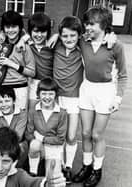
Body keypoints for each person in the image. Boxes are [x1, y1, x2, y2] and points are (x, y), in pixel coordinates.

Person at [73, 6, 127, 187]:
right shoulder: (83, 42)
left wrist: (118, 98)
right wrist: (57, 35)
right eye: (86, 23)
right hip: (87, 89)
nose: (87, 27)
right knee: (85, 133)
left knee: (97, 135)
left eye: (92, 24)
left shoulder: (115, 45)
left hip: (105, 92)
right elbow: (69, 35)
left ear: (104, 25)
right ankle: (86, 166)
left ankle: (97, 170)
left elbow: (123, 75)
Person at [53, 16, 84, 184]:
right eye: (65, 36)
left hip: (74, 99)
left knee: (71, 136)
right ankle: (57, 165)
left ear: (79, 35)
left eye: (73, 35)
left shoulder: (82, 48)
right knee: (59, 135)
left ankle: (68, 166)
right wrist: (55, 36)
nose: (69, 39)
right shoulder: (56, 46)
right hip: (56, 98)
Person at [26, 78, 67, 178]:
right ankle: (33, 172)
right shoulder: (33, 110)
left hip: (54, 149)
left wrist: (42, 139)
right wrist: (39, 143)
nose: (47, 97)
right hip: (38, 147)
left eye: (51, 94)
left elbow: (60, 139)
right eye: (43, 93)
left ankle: (57, 166)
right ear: (38, 94)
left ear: (55, 95)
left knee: (53, 180)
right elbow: (29, 134)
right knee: (34, 144)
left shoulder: (62, 113)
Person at [0, 10, 35, 111]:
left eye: (14, 26)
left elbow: (32, 72)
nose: (10, 30)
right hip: (2, 89)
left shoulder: (25, 47)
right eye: (7, 27)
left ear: (19, 28)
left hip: (20, 89)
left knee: (19, 121)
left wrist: (12, 64)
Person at [0, 87, 28, 168]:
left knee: (20, 147)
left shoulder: (22, 114)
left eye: (7, 101)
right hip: (1, 145)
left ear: (14, 101)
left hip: (18, 144)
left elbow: (18, 135)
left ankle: (15, 168)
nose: (4, 105)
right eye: (0, 102)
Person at [27, 13, 54, 110]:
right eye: (35, 31)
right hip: (33, 85)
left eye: (42, 32)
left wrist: (57, 35)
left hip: (49, 86)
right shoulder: (27, 47)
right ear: (30, 31)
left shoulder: (52, 46)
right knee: (32, 114)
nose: (39, 35)